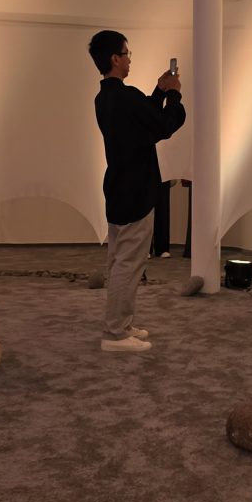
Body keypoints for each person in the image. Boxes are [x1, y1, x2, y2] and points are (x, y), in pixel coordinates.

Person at [88, 30, 186, 351]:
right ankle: (115, 334)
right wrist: (174, 95)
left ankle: (121, 324)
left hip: (118, 186)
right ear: (115, 59)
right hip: (137, 190)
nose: (130, 60)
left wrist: (158, 90)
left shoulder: (105, 98)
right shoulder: (126, 97)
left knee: (119, 260)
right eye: (127, 54)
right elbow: (163, 125)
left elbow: (143, 121)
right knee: (129, 264)